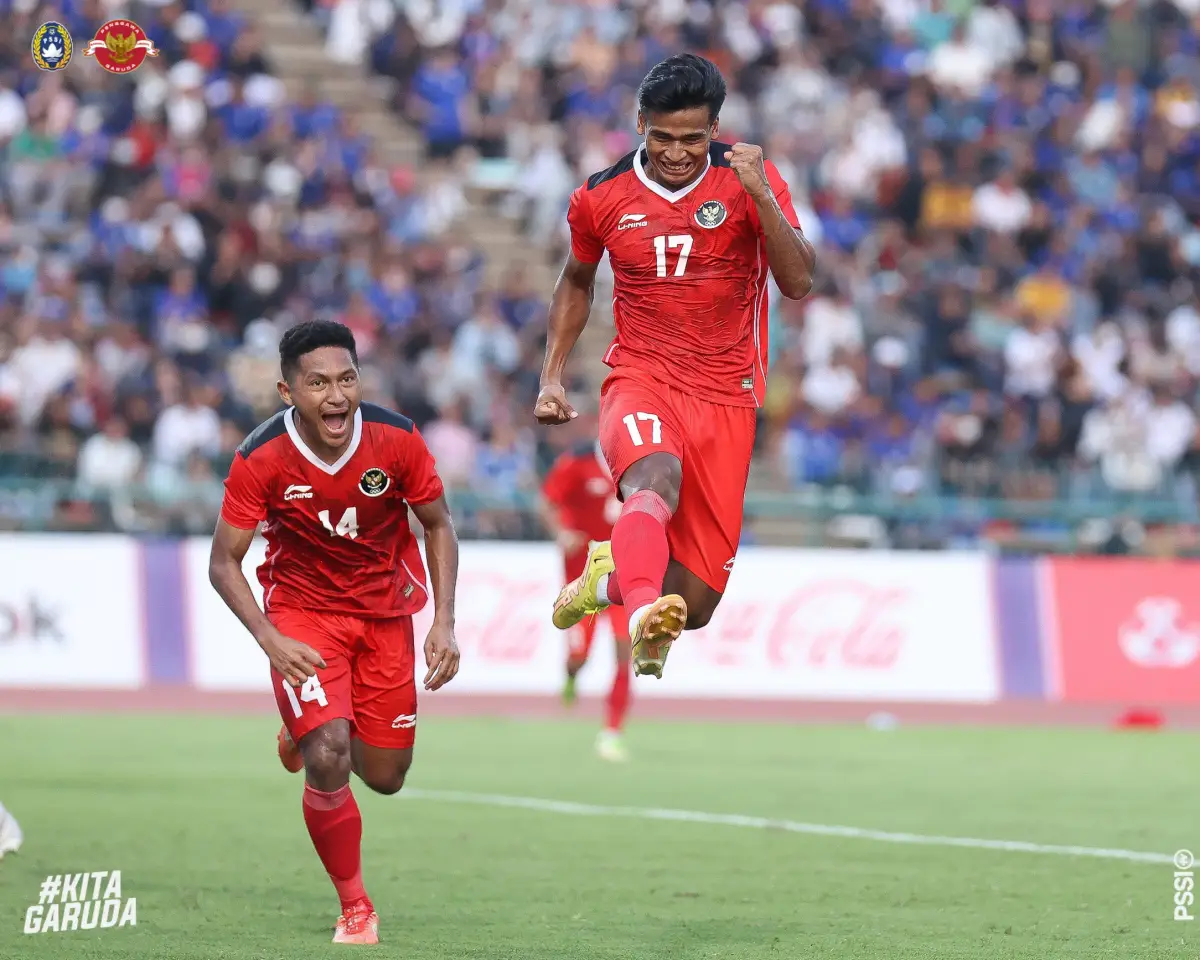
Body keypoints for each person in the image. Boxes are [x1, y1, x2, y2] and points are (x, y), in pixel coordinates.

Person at [534, 53, 815, 679]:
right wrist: (552, 375)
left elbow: (798, 281)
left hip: (727, 395)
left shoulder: (752, 180)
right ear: (640, 123)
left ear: (715, 129)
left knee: (696, 603)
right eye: (662, 137)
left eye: (693, 138)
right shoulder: (600, 196)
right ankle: (637, 619)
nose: (677, 152)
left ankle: (609, 581)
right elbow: (575, 281)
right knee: (651, 482)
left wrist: (761, 195)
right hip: (642, 377)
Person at [209, 320, 460, 945]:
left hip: (384, 615)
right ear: (287, 390)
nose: (336, 396)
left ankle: (303, 732)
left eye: (346, 378)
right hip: (303, 617)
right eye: (317, 383)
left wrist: (445, 622)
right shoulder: (259, 456)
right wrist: (269, 637)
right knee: (330, 756)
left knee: (385, 776)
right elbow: (223, 562)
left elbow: (438, 524)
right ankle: (356, 908)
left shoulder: (396, 439)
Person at [540, 430, 631, 762]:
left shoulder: (638, 467)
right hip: (581, 580)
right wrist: (561, 532)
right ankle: (571, 677)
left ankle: (612, 731)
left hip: (624, 578)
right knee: (580, 656)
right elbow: (548, 500)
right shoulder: (577, 463)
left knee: (627, 651)